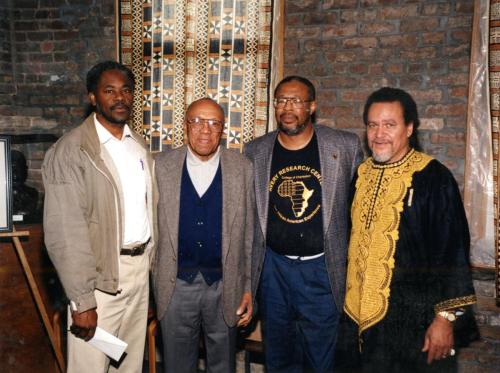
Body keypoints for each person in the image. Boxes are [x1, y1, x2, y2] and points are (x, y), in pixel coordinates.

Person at [339, 87, 477, 372]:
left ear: (410, 128)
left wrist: (444, 320)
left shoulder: (434, 178)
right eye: (373, 125)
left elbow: (452, 252)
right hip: (358, 321)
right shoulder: (361, 175)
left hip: (414, 325)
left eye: (390, 125)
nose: (379, 134)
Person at [42, 60, 157, 372]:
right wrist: (83, 302)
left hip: (136, 275)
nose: (119, 97)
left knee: (128, 366)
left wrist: (147, 282)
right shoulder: (72, 151)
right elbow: (66, 233)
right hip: (99, 282)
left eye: (125, 90)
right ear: (92, 97)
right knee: (91, 367)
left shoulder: (138, 146)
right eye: (109, 91)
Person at [244, 76, 363, 372]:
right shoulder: (255, 151)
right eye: (281, 100)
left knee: (321, 358)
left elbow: (359, 210)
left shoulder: (344, 146)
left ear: (312, 106)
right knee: (279, 355)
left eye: (296, 101)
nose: (287, 108)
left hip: (322, 269)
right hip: (274, 268)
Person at [153, 98, 254, 373]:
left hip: (225, 285)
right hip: (175, 286)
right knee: (176, 364)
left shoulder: (243, 168)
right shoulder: (161, 166)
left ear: (223, 128)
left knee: (223, 365)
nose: (205, 130)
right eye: (197, 121)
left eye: (213, 123)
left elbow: (249, 235)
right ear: (185, 125)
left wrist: (247, 287)